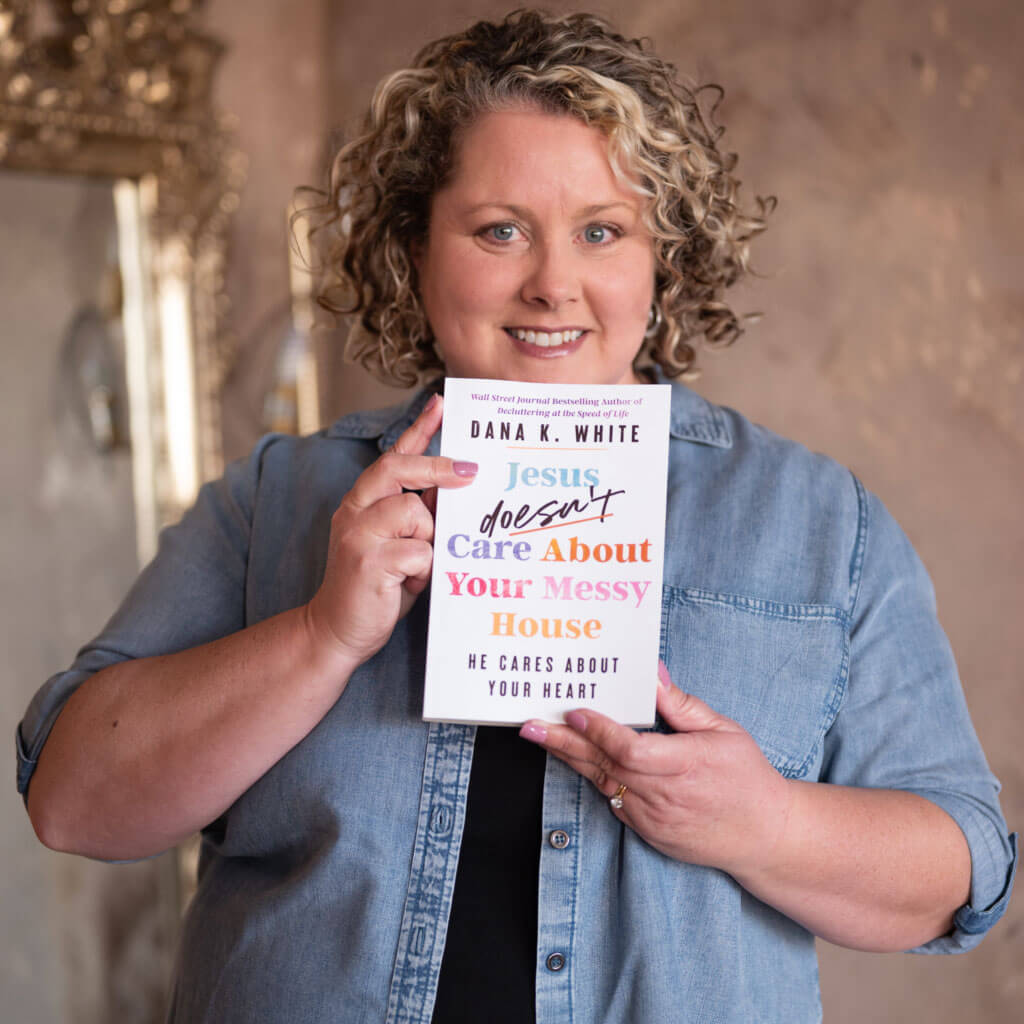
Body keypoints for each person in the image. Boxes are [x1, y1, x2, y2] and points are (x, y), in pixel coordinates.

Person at [17, 10, 1016, 1023]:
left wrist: (767, 825)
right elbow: (70, 801)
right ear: (414, 251)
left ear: (661, 255)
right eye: (499, 230)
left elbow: (963, 871)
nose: (551, 283)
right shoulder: (281, 497)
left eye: (601, 230)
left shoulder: (818, 522)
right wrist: (319, 635)